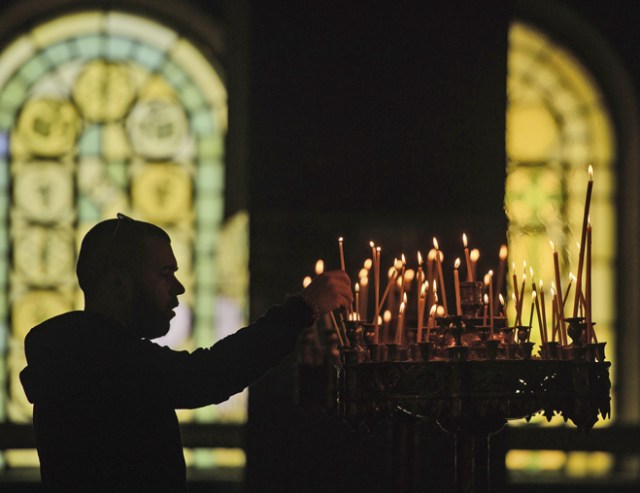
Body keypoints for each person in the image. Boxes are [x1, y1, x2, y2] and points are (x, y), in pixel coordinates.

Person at [20, 214, 352, 493]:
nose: (178, 288)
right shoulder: (96, 357)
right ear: (119, 283)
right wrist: (302, 308)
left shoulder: (84, 353)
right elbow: (204, 377)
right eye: (165, 274)